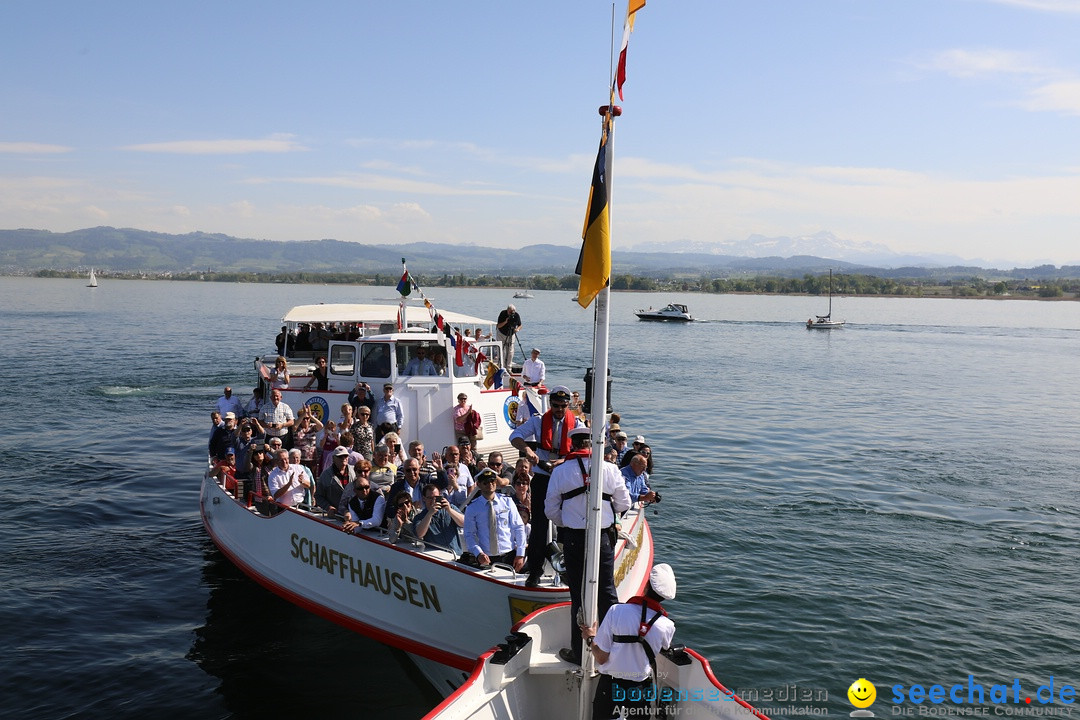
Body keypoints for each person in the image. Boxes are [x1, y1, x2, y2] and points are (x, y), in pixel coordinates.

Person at [545, 426, 631, 664]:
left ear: (572, 445)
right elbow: (625, 501)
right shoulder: (610, 469)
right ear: (593, 445)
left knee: (578, 594)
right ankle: (612, 647)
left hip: (574, 538)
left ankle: (578, 650)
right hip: (603, 537)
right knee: (607, 592)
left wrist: (571, 522)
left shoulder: (560, 472)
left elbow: (550, 510)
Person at [581, 564, 678, 720]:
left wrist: (590, 638)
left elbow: (601, 658)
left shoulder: (616, 611)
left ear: (646, 586)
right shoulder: (667, 626)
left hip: (610, 687)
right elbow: (665, 646)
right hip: (640, 690)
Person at [509, 385, 579, 586]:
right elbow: (514, 436)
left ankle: (567, 568)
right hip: (541, 477)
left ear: (568, 405)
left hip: (564, 478)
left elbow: (587, 448)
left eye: (563, 406)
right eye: (556, 405)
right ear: (550, 404)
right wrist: (528, 451)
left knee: (565, 525)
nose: (559, 409)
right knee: (539, 526)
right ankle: (535, 570)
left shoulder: (577, 424)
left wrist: (564, 461)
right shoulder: (539, 421)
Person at [463, 468, 527, 570]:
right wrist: (478, 553)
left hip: (509, 556)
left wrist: (520, 554)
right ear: (478, 484)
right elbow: (469, 535)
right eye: (486, 482)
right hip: (486, 558)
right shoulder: (472, 508)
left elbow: (518, 527)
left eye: (492, 481)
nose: (490, 484)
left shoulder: (507, 502)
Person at [412, 484, 464, 555]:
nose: (433, 501)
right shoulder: (420, 517)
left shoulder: (450, 508)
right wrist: (430, 514)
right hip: (437, 558)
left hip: (456, 554)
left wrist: (449, 510)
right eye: (430, 498)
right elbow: (419, 534)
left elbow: (464, 523)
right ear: (424, 498)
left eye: (436, 497)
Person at [339, 461, 387, 532]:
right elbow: (341, 506)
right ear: (355, 490)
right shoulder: (351, 496)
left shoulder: (377, 492)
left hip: (378, 532)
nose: (363, 474)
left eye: (366, 471)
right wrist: (349, 524)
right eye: (360, 471)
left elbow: (377, 519)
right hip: (361, 529)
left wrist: (359, 523)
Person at [315, 445, 355, 514]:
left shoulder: (354, 471)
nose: (343, 458)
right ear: (333, 459)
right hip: (335, 516)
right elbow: (318, 496)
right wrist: (328, 507)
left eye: (345, 456)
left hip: (353, 514)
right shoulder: (325, 475)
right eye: (340, 456)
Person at [291, 405, 324, 475]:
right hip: (300, 459)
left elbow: (321, 426)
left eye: (307, 418)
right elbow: (294, 427)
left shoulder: (312, 427)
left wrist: (310, 416)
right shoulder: (297, 428)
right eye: (304, 418)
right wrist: (303, 415)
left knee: (312, 479)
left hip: (312, 459)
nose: (306, 420)